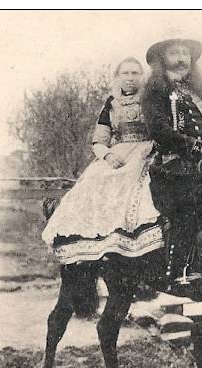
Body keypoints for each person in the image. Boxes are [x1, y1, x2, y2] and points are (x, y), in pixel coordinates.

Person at [42, 57, 162, 265]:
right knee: (95, 183)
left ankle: (135, 245)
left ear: (142, 77)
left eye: (135, 73)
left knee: (144, 192)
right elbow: (98, 141)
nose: (130, 78)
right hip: (118, 153)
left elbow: (163, 129)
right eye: (125, 73)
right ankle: (96, 245)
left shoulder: (151, 99)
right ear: (118, 77)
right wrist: (107, 155)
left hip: (147, 152)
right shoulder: (111, 103)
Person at [141, 37, 202, 284]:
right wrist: (199, 146)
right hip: (174, 168)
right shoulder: (156, 90)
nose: (182, 58)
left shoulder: (196, 91)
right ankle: (180, 272)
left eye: (185, 53)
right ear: (163, 59)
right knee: (189, 210)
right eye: (175, 53)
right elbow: (159, 130)